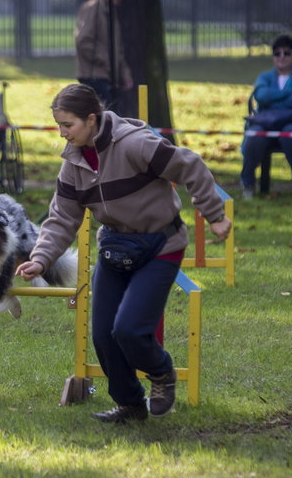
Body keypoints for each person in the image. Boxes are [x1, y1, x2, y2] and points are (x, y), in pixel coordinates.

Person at [15, 84, 231, 423]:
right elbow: (62, 217)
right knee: (102, 334)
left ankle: (162, 373)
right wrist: (41, 258)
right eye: (58, 125)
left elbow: (189, 165)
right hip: (116, 248)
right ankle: (130, 404)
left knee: (129, 329)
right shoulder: (72, 163)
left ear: (91, 119)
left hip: (161, 245)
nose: (62, 133)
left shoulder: (134, 144)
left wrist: (214, 215)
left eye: (67, 125)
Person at [240, 35, 292, 201]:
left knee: (291, 135)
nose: (281, 57)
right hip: (266, 124)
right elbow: (261, 96)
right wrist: (288, 94)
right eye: (277, 53)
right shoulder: (265, 77)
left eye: (286, 53)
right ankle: (247, 185)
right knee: (254, 136)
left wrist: (274, 102)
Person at [75, 0, 133, 110]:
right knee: (104, 120)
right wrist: (107, 62)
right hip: (94, 76)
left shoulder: (110, 11)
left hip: (107, 76)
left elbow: (117, 49)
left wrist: (125, 74)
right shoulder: (93, 8)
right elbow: (83, 41)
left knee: (110, 119)